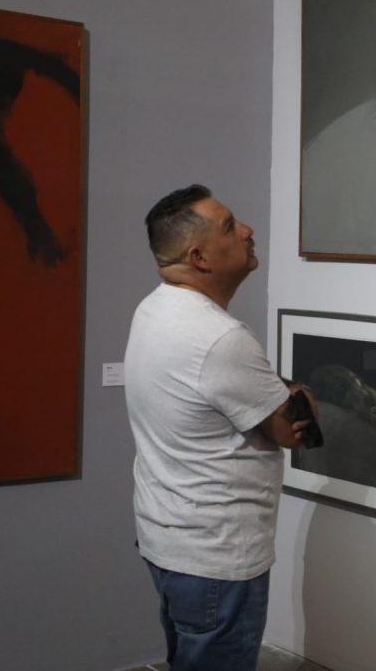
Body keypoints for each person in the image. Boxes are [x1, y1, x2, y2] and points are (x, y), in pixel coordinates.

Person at [124, 184, 312, 671]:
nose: (248, 231)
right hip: (217, 557)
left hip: (169, 540)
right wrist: (298, 390)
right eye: (229, 227)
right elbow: (291, 430)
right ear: (199, 256)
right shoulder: (220, 338)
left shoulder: (153, 309)